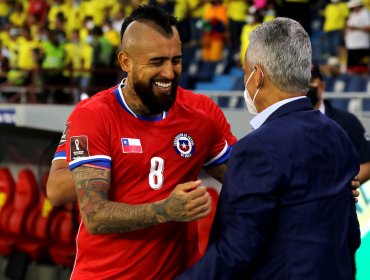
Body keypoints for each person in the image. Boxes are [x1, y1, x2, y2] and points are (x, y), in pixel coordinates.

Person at [55, 5, 233, 279]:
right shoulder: (94, 115)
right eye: (157, 62)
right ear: (126, 62)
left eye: (176, 60)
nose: (169, 73)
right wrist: (163, 210)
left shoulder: (200, 115)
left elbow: (243, 177)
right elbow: (94, 215)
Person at [179, 17, 361, 279]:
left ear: (258, 75)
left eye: (244, 73)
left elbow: (236, 252)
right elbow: (350, 236)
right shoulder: (339, 135)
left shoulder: (257, 148)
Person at [308, 65, 370, 184]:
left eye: (311, 81)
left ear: (322, 85)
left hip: (338, 199)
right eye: (302, 83)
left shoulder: (347, 121)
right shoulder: (285, 122)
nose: (307, 88)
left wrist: (344, 187)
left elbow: (367, 162)